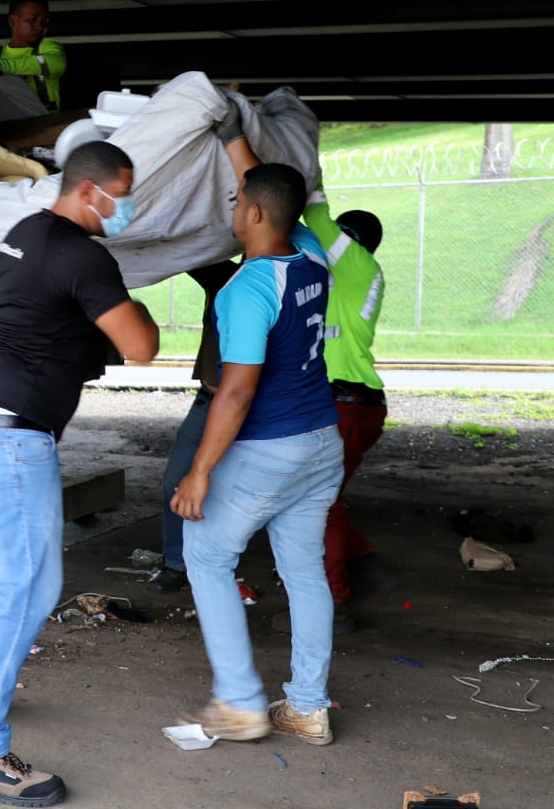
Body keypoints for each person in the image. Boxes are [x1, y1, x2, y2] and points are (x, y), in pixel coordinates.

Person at [0, 140, 159, 805]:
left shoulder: (26, 233)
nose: (129, 205)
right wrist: (134, 304)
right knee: (29, 587)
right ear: (91, 192)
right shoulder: (85, 255)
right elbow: (141, 346)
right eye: (125, 191)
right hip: (8, 437)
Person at [171, 129, 346, 748]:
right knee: (304, 574)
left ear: (250, 213)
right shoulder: (312, 256)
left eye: (236, 201)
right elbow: (276, 197)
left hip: (270, 446)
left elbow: (237, 391)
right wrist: (232, 137)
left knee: (206, 554)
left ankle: (242, 702)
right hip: (321, 443)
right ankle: (307, 706)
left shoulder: (247, 290)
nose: (231, 208)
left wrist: (199, 471)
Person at [270, 194, 386, 632]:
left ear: (351, 242)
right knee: (324, 499)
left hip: (346, 404)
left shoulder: (359, 267)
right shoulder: (337, 280)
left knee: (318, 504)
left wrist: (309, 183)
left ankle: (330, 605)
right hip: (346, 404)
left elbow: (314, 218)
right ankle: (362, 561)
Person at [147, 260, 237, 595]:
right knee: (176, 478)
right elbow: (185, 250)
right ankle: (176, 563)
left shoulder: (277, 280)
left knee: (251, 488)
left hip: (253, 401)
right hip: (211, 398)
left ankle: (275, 563)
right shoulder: (225, 276)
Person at [0, 0, 67, 112]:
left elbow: (57, 64)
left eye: (44, 20)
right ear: (13, 21)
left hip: (45, 126)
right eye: (33, 19)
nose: (40, 26)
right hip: (4, 126)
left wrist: (4, 66)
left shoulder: (48, 47)